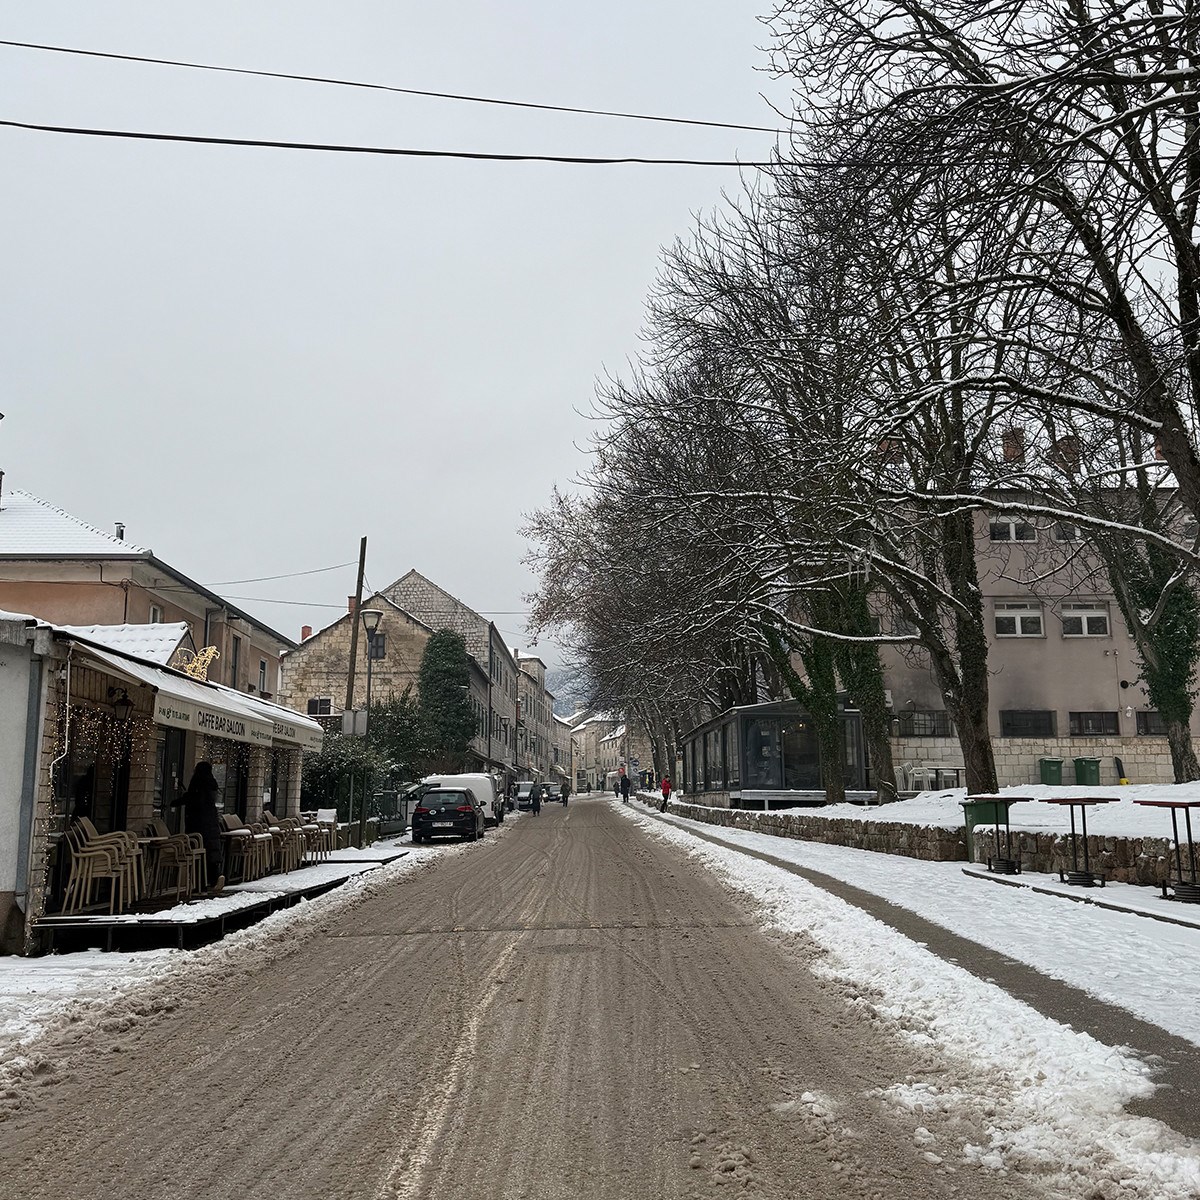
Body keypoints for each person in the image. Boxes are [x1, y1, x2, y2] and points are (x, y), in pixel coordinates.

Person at [178, 761, 225, 894]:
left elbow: (194, 799)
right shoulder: (212, 785)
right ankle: (215, 877)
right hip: (211, 825)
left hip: (198, 825)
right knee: (210, 853)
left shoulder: (198, 783)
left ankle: (200, 883)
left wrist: (180, 800)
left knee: (199, 852)